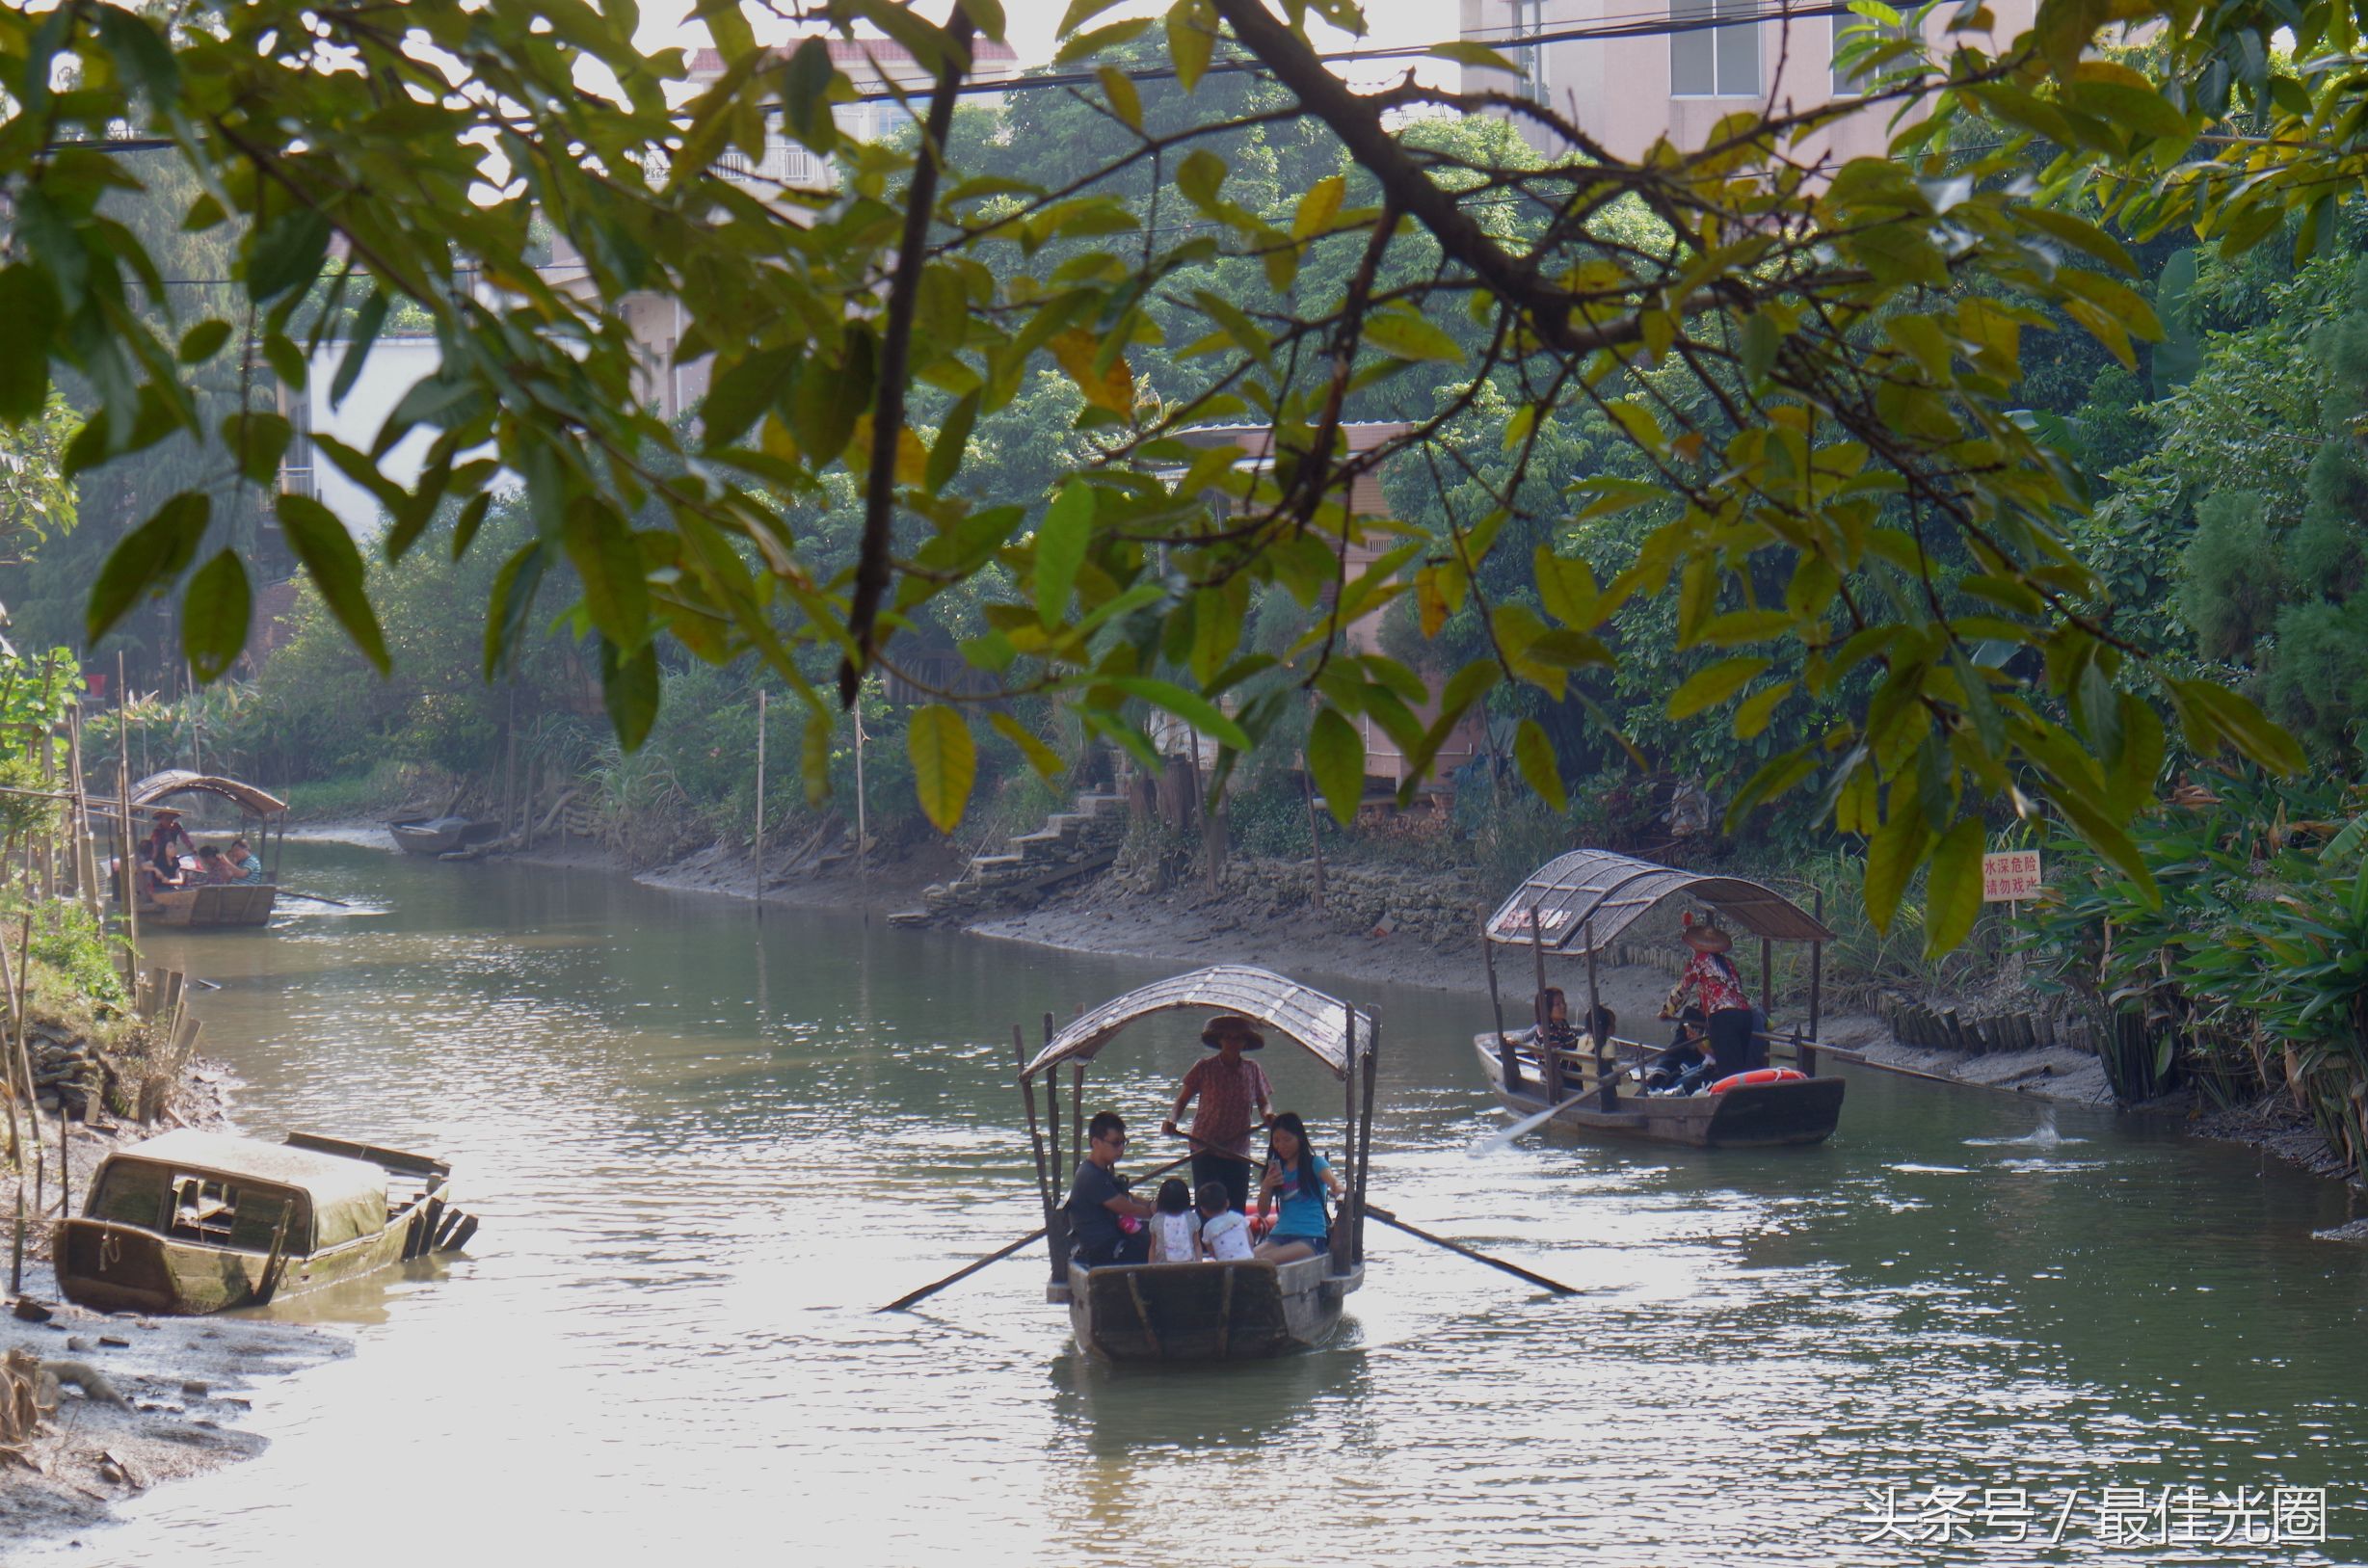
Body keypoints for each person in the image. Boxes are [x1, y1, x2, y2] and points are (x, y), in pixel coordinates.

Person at [1162, 1014, 1271, 1216]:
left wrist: (1269, 1115)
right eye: (1227, 1037)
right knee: (1208, 1208)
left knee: (1236, 1208)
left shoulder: (1253, 1069)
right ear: (1220, 1040)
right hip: (1205, 1147)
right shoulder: (1204, 1067)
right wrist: (1172, 1120)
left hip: (1238, 1150)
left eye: (1237, 1038)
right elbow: (1181, 1101)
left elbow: (1264, 1104)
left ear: (1244, 1042)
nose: (1232, 1042)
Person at [1660, 912, 1768, 1079]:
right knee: (1741, 1068)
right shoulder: (1728, 963)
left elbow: (1683, 989)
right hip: (1744, 1015)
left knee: (1729, 1072)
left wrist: (1667, 1011)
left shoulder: (1698, 962)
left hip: (1723, 1017)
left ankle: (1731, 1094)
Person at [1063, 1111, 1155, 1267]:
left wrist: (1150, 1204)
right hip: (1103, 1252)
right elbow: (1128, 1208)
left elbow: (1126, 1197)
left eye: (1123, 1142)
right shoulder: (1091, 1176)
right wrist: (1156, 1213)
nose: (1121, 1148)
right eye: (1116, 1143)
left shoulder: (1100, 1170)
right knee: (1160, 1243)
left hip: (1112, 1241)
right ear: (1095, 1142)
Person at [1254, 1112, 1343, 1263]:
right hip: (1279, 1235)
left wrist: (1341, 1191)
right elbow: (1263, 1212)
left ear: (1299, 1138)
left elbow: (1334, 1183)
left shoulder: (1315, 1163)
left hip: (1309, 1236)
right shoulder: (1276, 1168)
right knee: (1247, 1258)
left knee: (1265, 1261)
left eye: (1287, 1140)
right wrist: (1266, 1185)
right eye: (1276, 1140)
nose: (1281, 1146)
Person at [1147, 1178, 1200, 1264]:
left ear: (1162, 1200)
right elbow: (1197, 1244)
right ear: (1186, 1199)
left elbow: (1153, 1246)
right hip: (1189, 1265)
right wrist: (1199, 1263)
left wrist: (1150, 1267)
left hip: (1162, 1267)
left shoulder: (1156, 1219)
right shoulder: (1192, 1218)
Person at [1197, 1182, 1252, 1262]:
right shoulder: (1238, 1217)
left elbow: (1212, 1252)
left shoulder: (1208, 1227)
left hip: (1225, 1264)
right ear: (1227, 1202)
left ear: (1203, 1210)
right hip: (1248, 1260)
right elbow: (1250, 1240)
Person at [143, 810, 194, 890]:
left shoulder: (176, 826)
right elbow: (154, 844)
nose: (170, 821)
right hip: (160, 852)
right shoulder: (158, 830)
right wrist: (154, 860)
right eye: (167, 819)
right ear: (161, 820)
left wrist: (192, 848)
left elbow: (184, 837)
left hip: (170, 854)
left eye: (171, 819)